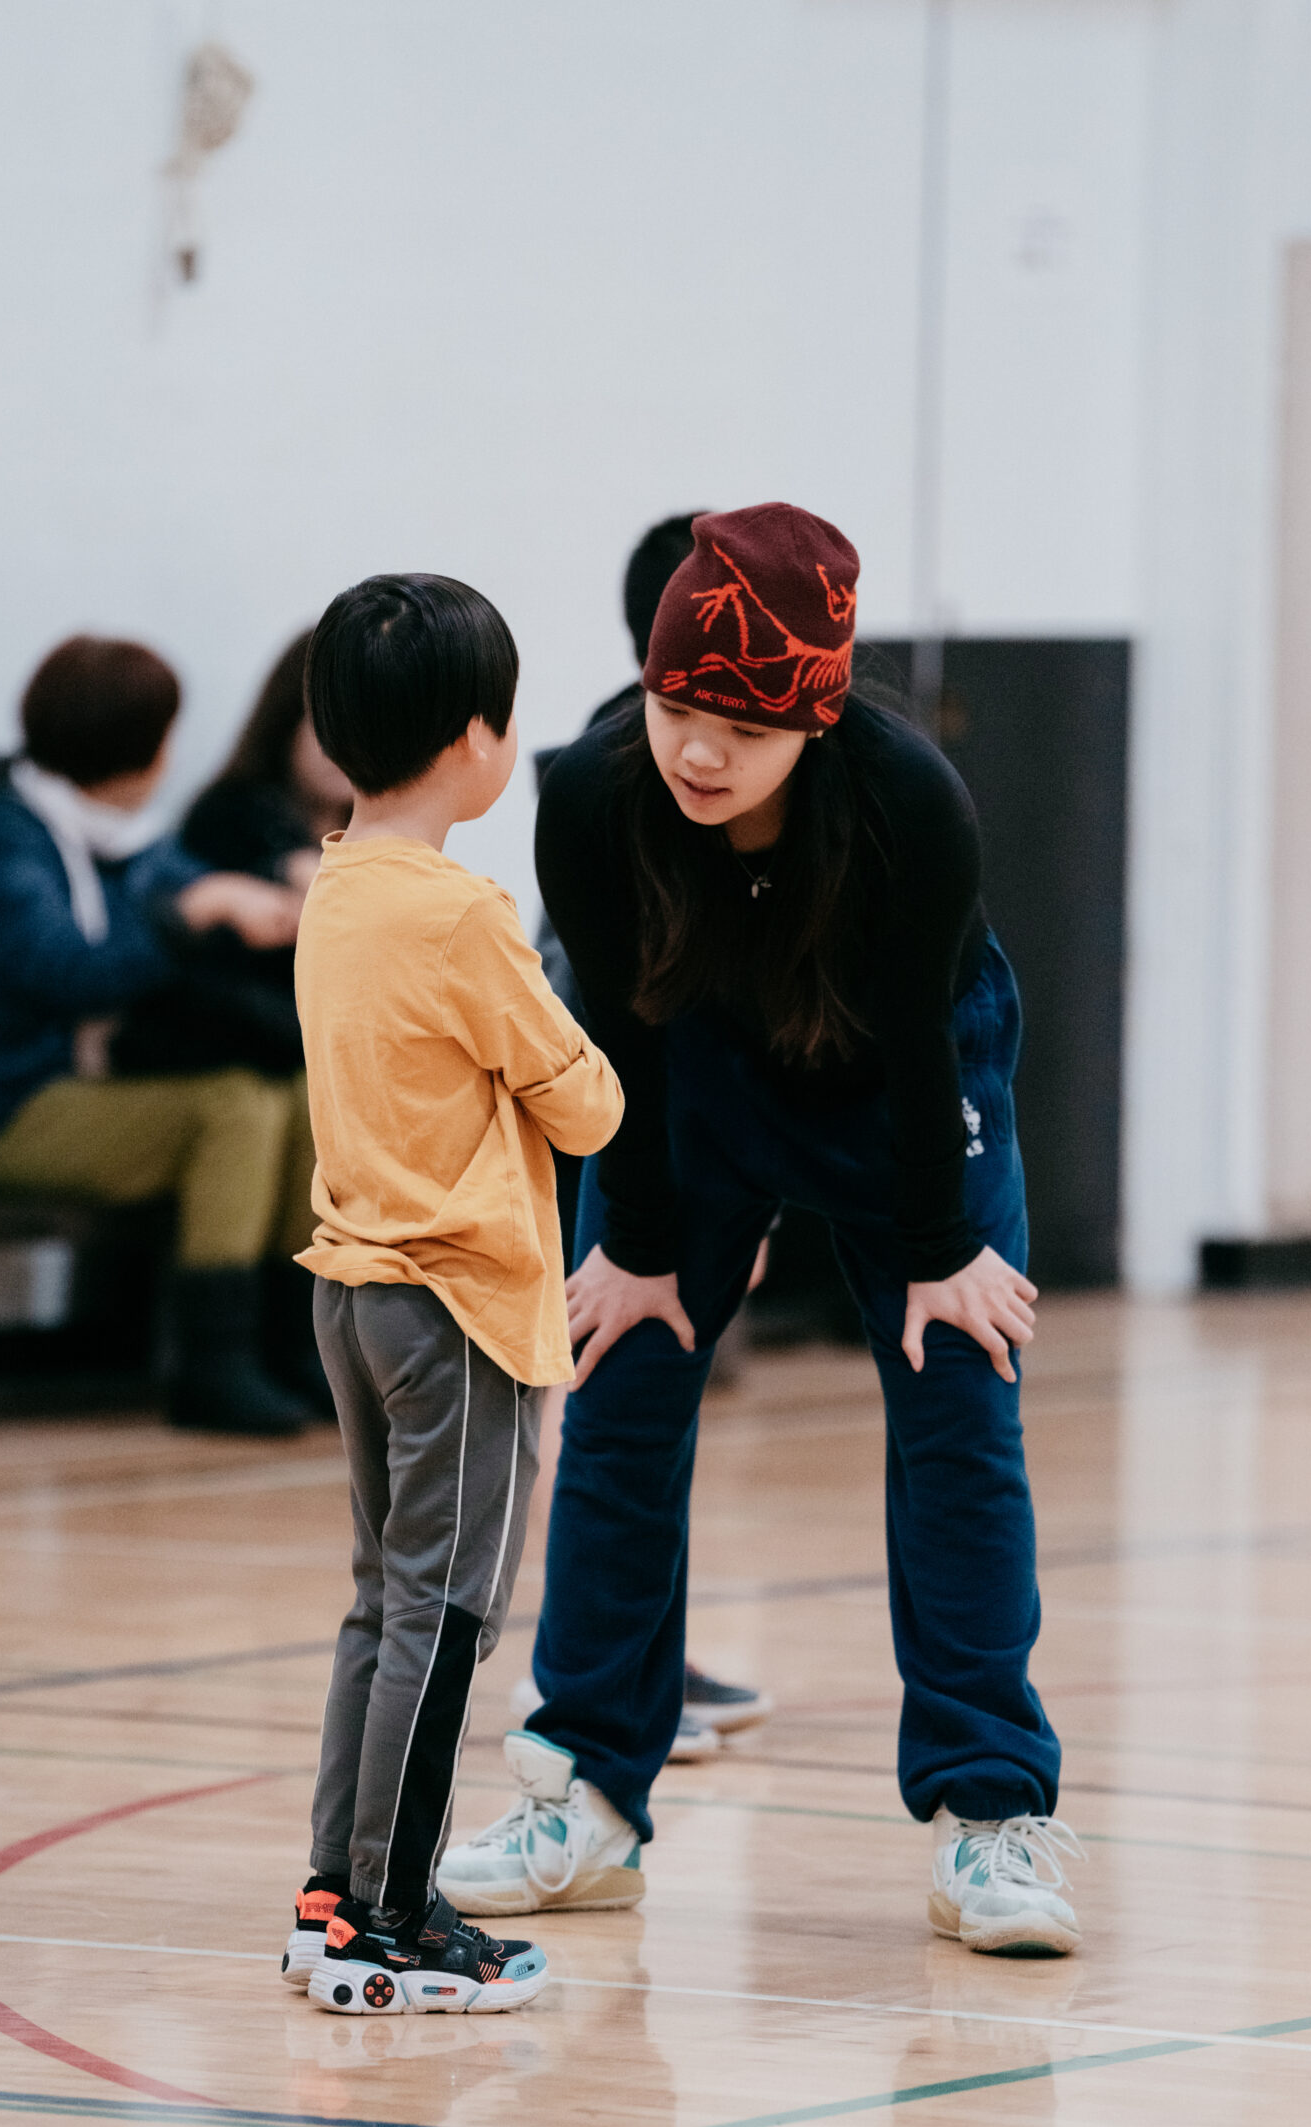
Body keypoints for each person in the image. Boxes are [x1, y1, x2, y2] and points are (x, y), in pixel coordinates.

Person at [441, 504, 1084, 1958]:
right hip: (686, 1072)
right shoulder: (596, 794)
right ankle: (588, 1795)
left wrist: (935, 1250)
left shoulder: (909, 803)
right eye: (676, 704)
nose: (696, 750)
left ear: (813, 713)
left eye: (737, 718)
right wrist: (645, 1247)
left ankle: (990, 1816)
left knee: (960, 1412)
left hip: (903, 1085)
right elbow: (620, 1033)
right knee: (611, 1385)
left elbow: (919, 1041)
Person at [278, 573, 623, 2014]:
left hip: (351, 1296)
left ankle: (335, 1897)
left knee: (383, 1607)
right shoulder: (463, 916)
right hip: (455, 1311)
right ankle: (394, 1919)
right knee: (447, 1613)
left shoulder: (335, 888)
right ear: (477, 738)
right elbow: (588, 1106)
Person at [0, 634, 320, 1437]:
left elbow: (180, 884)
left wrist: (270, 894)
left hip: (90, 1098)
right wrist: (196, 915)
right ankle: (213, 1360)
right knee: (233, 1106)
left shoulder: (113, 837)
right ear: (133, 750)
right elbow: (72, 971)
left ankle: (294, 1343)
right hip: (4, 1109)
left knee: (303, 1095)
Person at [527, 512, 774, 1761]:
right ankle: (599, 1679)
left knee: (645, 1394)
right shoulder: (606, 777)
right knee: (607, 1396)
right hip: (594, 1114)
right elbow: (592, 996)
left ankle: (645, 1658)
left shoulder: (752, 772)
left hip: (666, 1120)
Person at [109, 632, 357, 1411]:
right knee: (278, 1102)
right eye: (324, 723)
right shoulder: (235, 812)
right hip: (207, 1047)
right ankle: (224, 1354)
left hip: (276, 1052)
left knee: (320, 1102)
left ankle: (297, 1341)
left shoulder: (361, 832)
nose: (339, 748)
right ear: (283, 721)